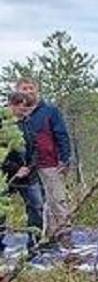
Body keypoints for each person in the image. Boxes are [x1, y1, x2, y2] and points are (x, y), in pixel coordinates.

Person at [14, 78, 72, 248]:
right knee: (36, 204)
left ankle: (63, 238)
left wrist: (65, 157)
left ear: (37, 90)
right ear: (17, 90)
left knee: (57, 200)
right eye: (24, 88)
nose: (28, 92)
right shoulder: (14, 112)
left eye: (31, 88)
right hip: (23, 167)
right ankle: (38, 239)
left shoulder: (49, 111)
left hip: (49, 163)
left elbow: (61, 134)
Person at [3, 92, 44, 251]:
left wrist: (30, 167)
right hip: (6, 175)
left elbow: (35, 148)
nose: (24, 109)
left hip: (29, 175)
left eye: (27, 106)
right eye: (22, 106)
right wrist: (14, 168)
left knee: (36, 206)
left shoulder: (28, 123)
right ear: (12, 105)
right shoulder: (3, 124)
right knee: (2, 212)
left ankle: (34, 245)